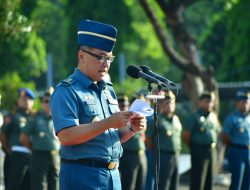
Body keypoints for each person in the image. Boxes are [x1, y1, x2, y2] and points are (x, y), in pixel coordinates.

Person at [50, 19, 147, 190]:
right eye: (101, 57)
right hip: (83, 176)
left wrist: (131, 128)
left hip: (112, 176)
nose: (106, 64)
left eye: (109, 58)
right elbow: (66, 136)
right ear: (81, 56)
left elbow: (113, 136)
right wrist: (108, 123)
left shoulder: (107, 90)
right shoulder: (67, 90)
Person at [20, 87, 60, 190]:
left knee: (55, 184)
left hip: (55, 156)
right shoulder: (35, 118)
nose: (49, 103)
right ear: (42, 103)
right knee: (39, 185)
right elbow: (23, 137)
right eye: (46, 101)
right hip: (39, 155)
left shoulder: (60, 117)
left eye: (52, 101)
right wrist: (34, 148)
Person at [182, 91, 221, 190]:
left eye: (211, 101)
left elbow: (217, 131)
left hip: (211, 150)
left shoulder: (213, 116)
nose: (209, 104)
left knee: (210, 179)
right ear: (200, 102)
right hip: (198, 150)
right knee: (198, 180)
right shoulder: (194, 116)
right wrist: (194, 147)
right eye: (207, 101)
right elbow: (186, 135)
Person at [146, 90, 182, 190]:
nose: (170, 105)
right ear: (162, 104)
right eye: (167, 102)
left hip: (176, 155)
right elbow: (148, 139)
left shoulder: (176, 119)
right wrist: (156, 153)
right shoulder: (157, 119)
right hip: (163, 156)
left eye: (172, 102)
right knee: (163, 185)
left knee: (174, 184)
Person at [0, 88, 35, 190]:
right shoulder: (13, 116)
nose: (26, 101)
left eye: (29, 99)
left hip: (33, 157)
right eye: (23, 98)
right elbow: (2, 134)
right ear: (18, 100)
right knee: (14, 185)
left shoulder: (35, 117)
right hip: (16, 156)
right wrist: (8, 149)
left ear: (33, 101)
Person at [221, 89, 250, 190]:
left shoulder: (249, 118)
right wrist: (232, 145)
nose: (245, 104)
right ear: (237, 103)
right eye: (243, 101)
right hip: (237, 151)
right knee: (237, 182)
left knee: (248, 183)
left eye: (247, 101)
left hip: (248, 152)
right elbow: (224, 136)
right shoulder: (232, 118)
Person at [118, 94, 147, 190]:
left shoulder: (141, 118)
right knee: (129, 185)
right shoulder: (126, 117)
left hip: (141, 154)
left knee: (141, 185)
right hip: (129, 155)